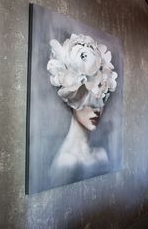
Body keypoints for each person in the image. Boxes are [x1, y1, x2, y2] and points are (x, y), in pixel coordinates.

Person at [46, 33, 118, 185]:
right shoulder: (66, 163)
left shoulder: (101, 155)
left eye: (102, 98)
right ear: (71, 99)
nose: (97, 108)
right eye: (88, 99)